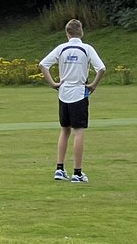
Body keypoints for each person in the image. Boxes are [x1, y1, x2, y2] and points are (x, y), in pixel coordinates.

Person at [39, 18, 106, 182]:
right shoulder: (86, 48)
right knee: (79, 131)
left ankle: (59, 169)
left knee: (64, 130)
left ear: (67, 33)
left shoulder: (61, 48)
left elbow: (43, 65)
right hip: (78, 92)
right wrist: (93, 85)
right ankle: (77, 172)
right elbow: (101, 68)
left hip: (63, 92)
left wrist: (53, 83)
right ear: (81, 32)